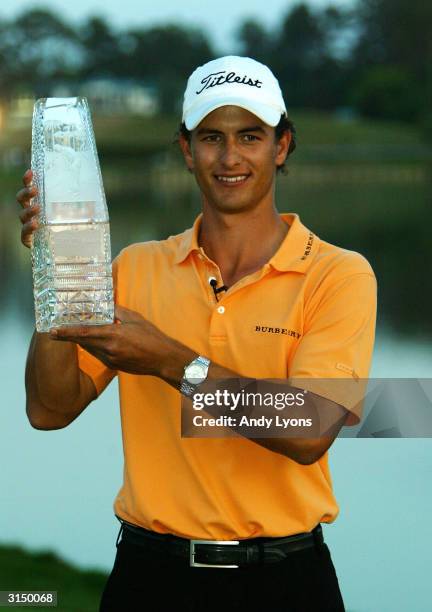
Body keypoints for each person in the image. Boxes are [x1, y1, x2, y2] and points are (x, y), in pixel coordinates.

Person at [17, 56, 377, 611]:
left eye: (249, 136)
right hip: (148, 576)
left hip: (285, 579)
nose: (230, 158)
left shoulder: (339, 273)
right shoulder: (136, 268)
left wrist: (171, 362)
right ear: (187, 150)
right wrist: (55, 264)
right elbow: (49, 409)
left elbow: (310, 430)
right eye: (211, 137)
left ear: (281, 146)